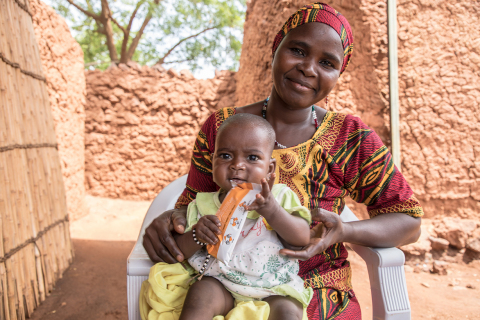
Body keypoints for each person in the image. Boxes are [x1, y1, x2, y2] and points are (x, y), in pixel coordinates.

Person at [143, 3, 423, 319]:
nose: (308, 68)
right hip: (218, 281)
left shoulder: (351, 137)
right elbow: (195, 202)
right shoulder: (223, 127)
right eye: (298, 51)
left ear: (338, 73)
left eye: (327, 62)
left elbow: (408, 220)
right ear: (276, 49)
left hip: (313, 288)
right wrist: (172, 218)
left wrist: (344, 231)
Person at [175, 113, 313, 320]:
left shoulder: (280, 197)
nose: (237, 165)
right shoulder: (203, 204)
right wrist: (197, 235)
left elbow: (302, 239)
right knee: (199, 296)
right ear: (213, 162)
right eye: (225, 156)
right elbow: (180, 251)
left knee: (288, 312)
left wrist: (272, 211)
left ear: (270, 168)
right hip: (220, 282)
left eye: (252, 157)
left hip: (274, 288)